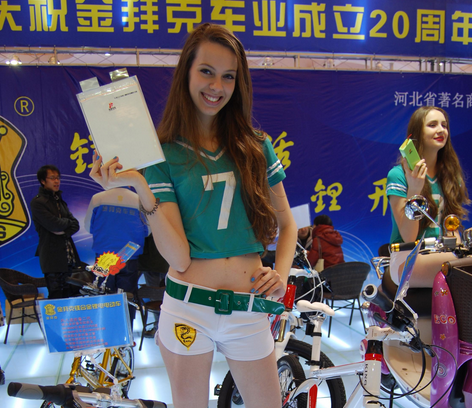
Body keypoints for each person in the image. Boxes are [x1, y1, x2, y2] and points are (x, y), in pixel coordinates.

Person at [89, 23, 297, 408]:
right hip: (188, 308)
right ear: (186, 72)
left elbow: (288, 226)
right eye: (206, 71)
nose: (217, 86)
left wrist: (281, 278)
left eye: (228, 76)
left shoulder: (256, 147)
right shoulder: (162, 155)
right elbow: (179, 257)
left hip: (249, 308)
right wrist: (140, 186)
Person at [386, 106, 471, 287]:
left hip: (443, 254)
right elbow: (409, 237)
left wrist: (464, 250)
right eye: (432, 125)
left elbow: (452, 229)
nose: (441, 130)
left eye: (444, 125)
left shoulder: (450, 175)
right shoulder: (398, 175)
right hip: (407, 258)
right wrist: (415, 189)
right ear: (417, 133)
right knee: (459, 263)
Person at [84, 187, 150, 330]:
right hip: (129, 256)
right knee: (127, 298)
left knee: (103, 298)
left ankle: (105, 333)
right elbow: (147, 231)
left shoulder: (98, 198)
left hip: (103, 258)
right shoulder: (139, 200)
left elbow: (88, 227)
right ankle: (126, 333)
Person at [31, 165, 82, 299]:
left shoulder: (60, 201)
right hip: (52, 256)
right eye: (52, 178)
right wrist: (65, 224)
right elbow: (54, 225)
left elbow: (75, 224)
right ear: (43, 181)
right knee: (56, 295)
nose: (56, 181)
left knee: (69, 295)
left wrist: (64, 230)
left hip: (68, 256)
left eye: (58, 178)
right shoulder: (38, 202)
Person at [137, 233, 169, 337]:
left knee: (155, 296)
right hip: (168, 262)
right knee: (165, 297)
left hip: (151, 263)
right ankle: (164, 328)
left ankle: (158, 328)